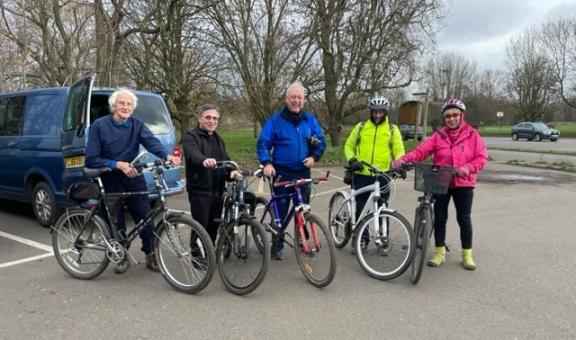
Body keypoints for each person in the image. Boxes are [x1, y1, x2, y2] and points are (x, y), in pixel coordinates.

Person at [86, 88, 181, 274]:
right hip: (111, 177)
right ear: (113, 106)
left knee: (145, 217)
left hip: (133, 175)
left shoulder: (137, 125)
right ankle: (121, 255)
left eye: (129, 104)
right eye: (121, 103)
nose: (125, 107)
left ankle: (150, 253)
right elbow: (91, 159)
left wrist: (166, 155)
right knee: (116, 220)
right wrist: (117, 164)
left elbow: (151, 141)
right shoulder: (99, 126)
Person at [392, 98, 488, 270]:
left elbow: (481, 157)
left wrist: (468, 167)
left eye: (455, 115)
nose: (451, 119)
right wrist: (403, 159)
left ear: (461, 115)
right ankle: (439, 253)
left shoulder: (472, 135)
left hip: (464, 182)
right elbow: (421, 151)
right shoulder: (439, 136)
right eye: (448, 116)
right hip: (442, 181)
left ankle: (467, 255)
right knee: (440, 217)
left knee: (463, 218)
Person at [257, 82, 327, 260]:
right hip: (282, 172)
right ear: (286, 99)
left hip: (302, 172)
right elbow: (263, 143)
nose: (296, 101)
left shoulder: (309, 119)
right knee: (280, 211)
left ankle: (302, 242)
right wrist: (267, 163)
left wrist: (314, 157)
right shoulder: (275, 121)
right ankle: (277, 244)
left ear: (303, 100)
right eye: (293, 97)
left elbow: (321, 140)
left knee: (302, 209)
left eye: (300, 98)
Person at [344, 95, 405, 252]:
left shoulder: (392, 129)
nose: (378, 115)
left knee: (382, 208)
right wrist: (352, 160)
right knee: (361, 208)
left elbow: (398, 150)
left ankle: (383, 237)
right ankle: (361, 239)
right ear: (371, 111)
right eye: (375, 112)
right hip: (362, 173)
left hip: (382, 175)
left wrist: (399, 165)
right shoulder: (361, 127)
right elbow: (349, 146)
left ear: (385, 112)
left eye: (381, 112)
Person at [182, 104, 241, 243]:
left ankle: (211, 255)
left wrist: (232, 171)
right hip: (200, 191)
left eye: (215, 118)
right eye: (208, 117)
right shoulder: (191, 137)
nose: (212, 121)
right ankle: (199, 260)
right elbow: (192, 154)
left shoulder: (217, 139)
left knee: (214, 226)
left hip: (217, 190)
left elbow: (224, 159)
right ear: (200, 119)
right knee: (200, 227)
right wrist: (204, 160)